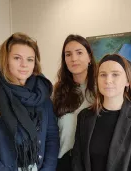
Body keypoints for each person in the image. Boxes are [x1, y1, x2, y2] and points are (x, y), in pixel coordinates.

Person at [0, 32, 59, 171]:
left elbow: (52, 138)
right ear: (5, 60)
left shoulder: (42, 96)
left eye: (30, 59)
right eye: (17, 58)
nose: (24, 65)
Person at [73, 54, 131, 171]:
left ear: (128, 81)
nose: (108, 80)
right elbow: (78, 160)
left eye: (115, 74)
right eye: (103, 75)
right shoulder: (84, 116)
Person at [52, 34, 96, 171]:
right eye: (68, 54)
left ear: (89, 57)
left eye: (79, 53)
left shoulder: (100, 90)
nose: (74, 59)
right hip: (64, 161)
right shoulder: (58, 91)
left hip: (92, 161)